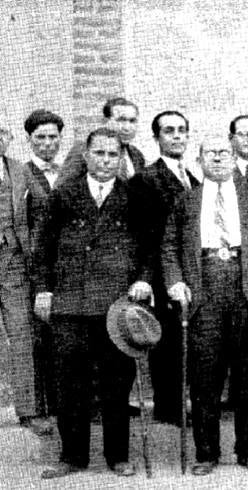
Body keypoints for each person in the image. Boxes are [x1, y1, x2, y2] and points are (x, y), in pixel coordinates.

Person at [162, 135, 248, 476]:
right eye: (210, 153)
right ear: (200, 160)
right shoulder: (185, 201)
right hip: (204, 294)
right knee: (205, 381)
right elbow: (169, 246)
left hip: (245, 291)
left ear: (234, 158)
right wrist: (175, 282)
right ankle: (207, 453)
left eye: (224, 153)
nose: (218, 158)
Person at [35, 127, 152, 479]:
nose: (105, 161)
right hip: (70, 303)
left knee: (118, 381)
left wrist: (144, 279)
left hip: (115, 304)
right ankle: (73, 456)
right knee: (70, 383)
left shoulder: (134, 195)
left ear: (121, 158)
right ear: (86, 156)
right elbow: (43, 248)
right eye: (99, 154)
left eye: (112, 155)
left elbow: (148, 246)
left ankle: (118, 455)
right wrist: (44, 290)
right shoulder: (64, 194)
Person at [128, 110, 200, 425]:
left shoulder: (194, 177)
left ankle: (182, 404)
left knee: (188, 339)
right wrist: (147, 277)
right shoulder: (145, 179)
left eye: (182, 130)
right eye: (169, 131)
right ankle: (169, 410)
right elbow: (143, 235)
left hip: (192, 270)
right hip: (162, 271)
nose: (176, 136)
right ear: (156, 138)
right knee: (167, 340)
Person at [0, 117, 49, 434]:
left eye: (1, 132)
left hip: (13, 263)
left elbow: (45, 209)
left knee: (21, 335)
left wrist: (31, 245)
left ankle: (29, 411)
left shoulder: (20, 169)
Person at [22, 109, 67, 428]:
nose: (48, 144)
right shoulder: (21, 176)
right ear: (30, 140)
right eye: (41, 138)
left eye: (53, 137)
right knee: (38, 337)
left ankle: (68, 405)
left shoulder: (69, 172)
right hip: (34, 268)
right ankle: (41, 409)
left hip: (65, 268)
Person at [59, 97, 145, 184]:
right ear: (105, 121)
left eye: (132, 121)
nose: (127, 128)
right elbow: (61, 190)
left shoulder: (136, 155)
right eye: (121, 120)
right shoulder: (84, 150)